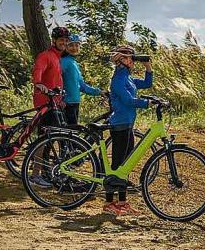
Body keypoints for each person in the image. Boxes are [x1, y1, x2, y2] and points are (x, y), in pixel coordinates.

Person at [103, 45, 153, 216]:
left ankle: (122, 202)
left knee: (125, 165)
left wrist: (148, 67)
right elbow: (128, 100)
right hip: (120, 125)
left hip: (128, 124)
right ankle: (109, 202)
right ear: (122, 60)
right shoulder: (118, 80)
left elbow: (147, 83)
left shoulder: (128, 78)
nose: (133, 60)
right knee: (117, 164)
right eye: (130, 57)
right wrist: (146, 103)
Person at [29, 26, 69, 187]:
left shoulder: (57, 58)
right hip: (44, 102)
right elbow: (38, 70)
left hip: (53, 103)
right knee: (44, 140)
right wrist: (39, 84)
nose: (64, 43)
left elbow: (55, 82)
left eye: (66, 41)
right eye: (61, 40)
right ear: (54, 40)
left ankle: (43, 171)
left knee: (51, 139)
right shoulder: (46, 56)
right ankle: (35, 175)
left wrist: (60, 100)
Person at [61, 34, 103, 125]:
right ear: (65, 47)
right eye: (71, 45)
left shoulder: (74, 63)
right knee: (68, 136)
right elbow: (56, 79)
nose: (74, 48)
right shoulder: (64, 61)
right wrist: (60, 99)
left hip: (75, 103)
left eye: (77, 45)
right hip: (66, 104)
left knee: (72, 135)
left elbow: (82, 86)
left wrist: (99, 92)